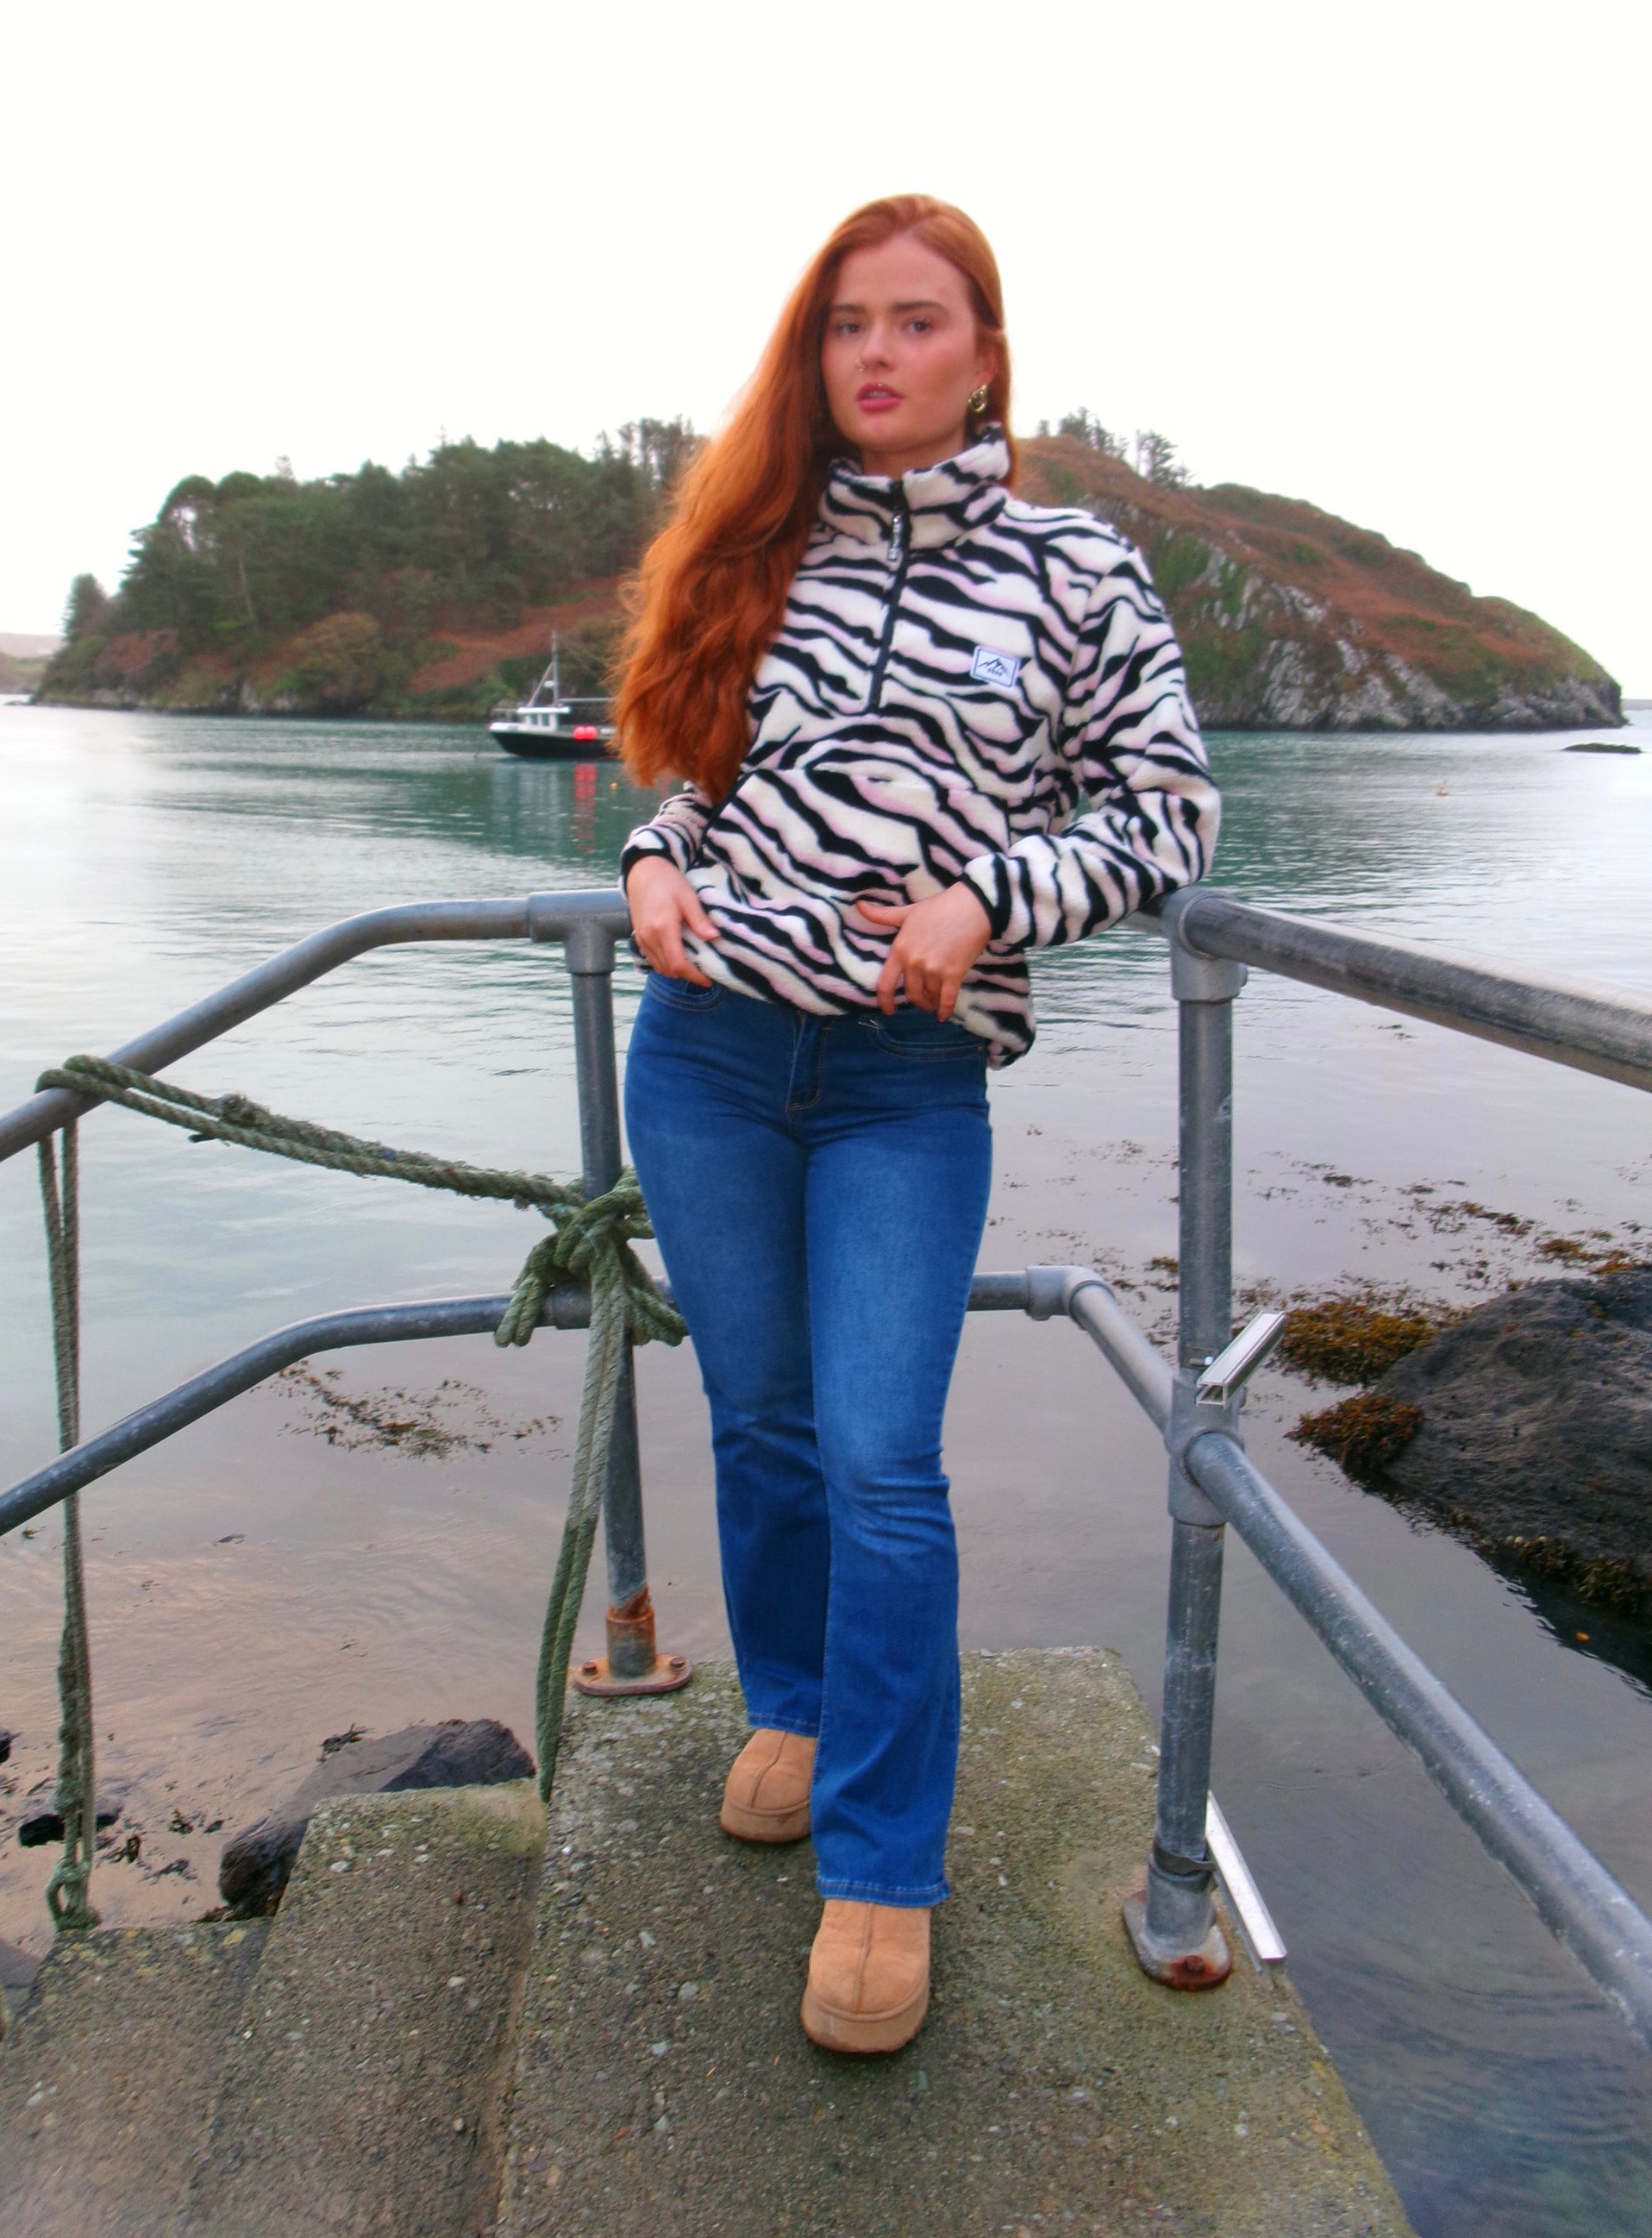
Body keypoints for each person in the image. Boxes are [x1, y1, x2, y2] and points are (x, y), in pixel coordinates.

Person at [614, 193, 1219, 2055]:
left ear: (984, 354)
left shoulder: (1074, 570)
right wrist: (652, 855)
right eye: (845, 323)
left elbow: (1169, 813)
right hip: (705, 1049)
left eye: (915, 319)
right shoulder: (761, 544)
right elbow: (702, 769)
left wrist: (989, 895)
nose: (874, 352)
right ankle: (793, 1706)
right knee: (759, 1418)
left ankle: (882, 1869)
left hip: (901, 1076)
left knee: (881, 1458)